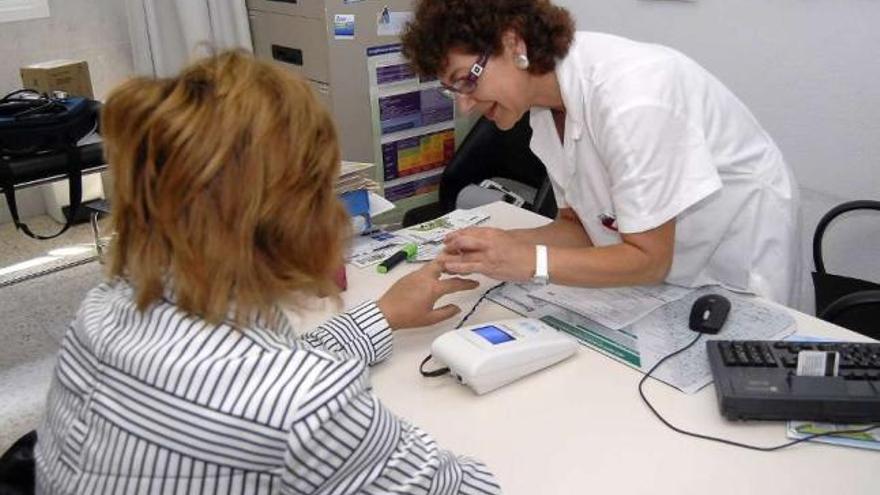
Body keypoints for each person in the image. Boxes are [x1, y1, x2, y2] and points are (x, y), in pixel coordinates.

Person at [34, 51, 500, 494]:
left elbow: (251, 374)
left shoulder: (105, 305)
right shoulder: (306, 405)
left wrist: (382, 314)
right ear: (297, 213)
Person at [401, 0, 800, 306]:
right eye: (451, 90)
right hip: (665, 264)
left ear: (512, 41)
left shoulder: (632, 98)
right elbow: (580, 227)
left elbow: (648, 259)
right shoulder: (545, 107)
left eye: (465, 81)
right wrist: (497, 244)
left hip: (734, 249)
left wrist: (531, 261)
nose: (464, 105)